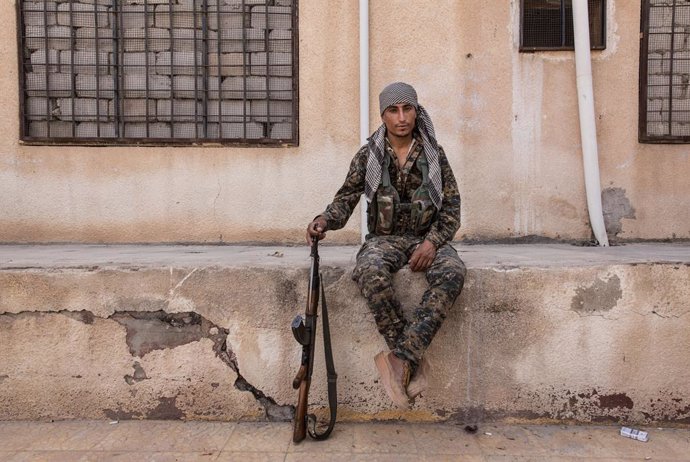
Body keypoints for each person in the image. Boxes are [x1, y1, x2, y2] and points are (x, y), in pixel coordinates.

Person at [306, 82, 466, 409]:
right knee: (369, 272)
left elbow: (451, 209)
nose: (402, 117)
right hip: (384, 240)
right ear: (383, 115)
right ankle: (410, 360)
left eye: (408, 108)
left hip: (425, 239)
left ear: (416, 111)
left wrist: (433, 243)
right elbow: (346, 199)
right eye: (393, 110)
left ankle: (399, 359)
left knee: (453, 273)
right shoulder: (370, 155)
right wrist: (323, 220)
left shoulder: (434, 154)